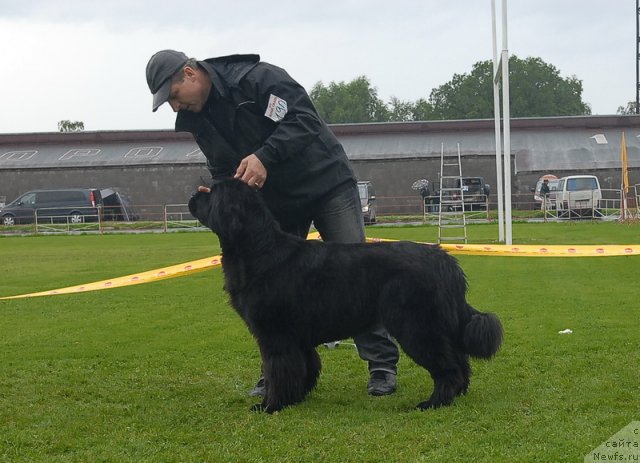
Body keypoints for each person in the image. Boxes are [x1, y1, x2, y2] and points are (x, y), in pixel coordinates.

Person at [146, 50, 399, 397]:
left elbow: (304, 121)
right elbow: (222, 167)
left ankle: (381, 365)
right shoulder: (198, 119)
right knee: (275, 292)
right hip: (277, 202)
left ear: (190, 73)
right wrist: (221, 194)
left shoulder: (256, 79)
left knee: (357, 276)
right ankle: (279, 372)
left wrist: (265, 156)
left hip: (326, 184)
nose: (175, 108)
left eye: (173, 97)